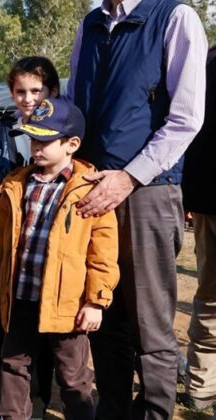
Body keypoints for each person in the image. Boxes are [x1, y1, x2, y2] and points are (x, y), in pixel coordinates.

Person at [67, 0, 208, 417]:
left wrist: (128, 177)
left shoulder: (175, 17)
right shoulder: (90, 24)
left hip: (149, 189)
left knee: (151, 326)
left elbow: (186, 118)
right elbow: (76, 102)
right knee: (103, 314)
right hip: (92, 187)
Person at [0, 98, 119, 420]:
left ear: (71, 144)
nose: (36, 147)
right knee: (13, 366)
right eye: (33, 139)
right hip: (20, 299)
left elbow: (103, 252)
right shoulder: (16, 184)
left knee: (73, 376)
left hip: (69, 308)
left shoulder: (90, 190)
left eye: (45, 140)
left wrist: (96, 301)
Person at [0, 56, 60, 420]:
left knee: (46, 336)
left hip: (48, 257)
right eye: (20, 91)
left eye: (36, 91)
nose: (28, 98)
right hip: (6, 255)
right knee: (2, 334)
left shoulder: (64, 132)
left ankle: (37, 405)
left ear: (51, 91)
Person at [182, 45, 216, 412]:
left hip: (203, 196)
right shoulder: (205, 59)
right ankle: (202, 386)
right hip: (207, 199)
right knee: (209, 299)